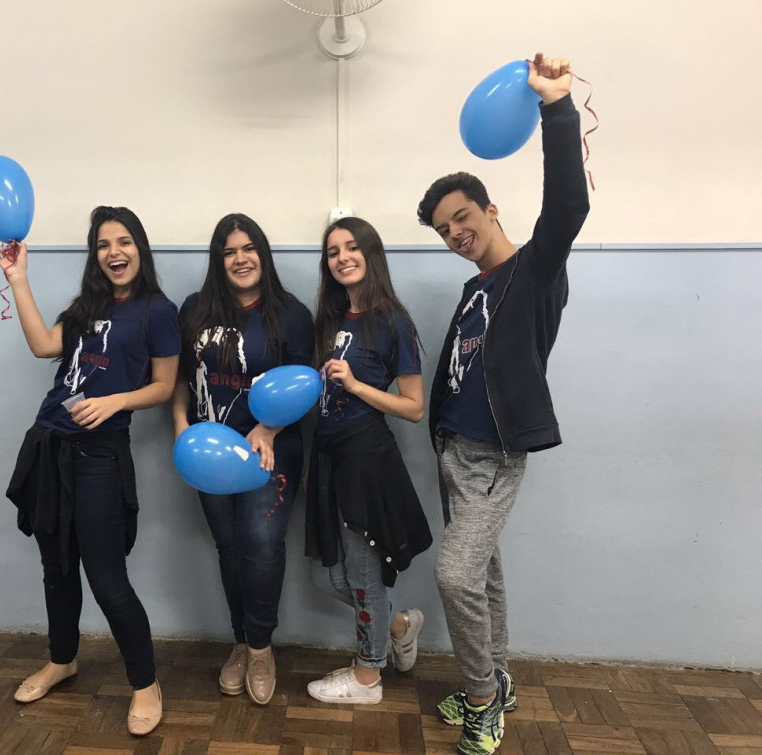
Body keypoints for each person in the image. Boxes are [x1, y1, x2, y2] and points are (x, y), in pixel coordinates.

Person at [416, 53, 590, 754]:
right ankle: (501, 678)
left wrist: (555, 105)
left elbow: (569, 204)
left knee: (453, 572)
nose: (456, 233)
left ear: (490, 209)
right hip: (455, 450)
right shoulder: (475, 288)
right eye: (444, 229)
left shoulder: (535, 270)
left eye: (463, 217)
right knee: (482, 574)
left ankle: (484, 700)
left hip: (494, 455)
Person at [2, 206, 181, 737]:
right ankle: (62, 660)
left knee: (107, 579)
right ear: (95, 254)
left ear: (140, 249)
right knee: (56, 568)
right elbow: (43, 346)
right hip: (50, 448)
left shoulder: (157, 310)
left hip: (100, 456)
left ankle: (146, 685)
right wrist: (18, 279)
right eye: (103, 245)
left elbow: (165, 385)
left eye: (124, 242)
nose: (114, 253)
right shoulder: (86, 306)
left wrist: (116, 403)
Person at [172, 213, 314, 705]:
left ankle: (260, 647)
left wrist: (268, 427)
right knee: (229, 547)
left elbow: (304, 385)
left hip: (268, 450)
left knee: (262, 545)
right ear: (218, 260)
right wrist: (179, 426)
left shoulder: (291, 313)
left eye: (249, 248)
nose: (240, 258)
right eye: (230, 251)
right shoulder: (193, 309)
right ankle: (240, 641)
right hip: (207, 452)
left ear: (263, 254)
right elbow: (180, 380)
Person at [304, 216, 433, 705]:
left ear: (371, 253)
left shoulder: (393, 319)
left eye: (351, 247)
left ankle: (367, 678)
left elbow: (415, 407)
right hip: (329, 459)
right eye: (333, 251)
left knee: (362, 576)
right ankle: (398, 625)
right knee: (328, 576)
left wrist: (357, 386)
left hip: (367, 459)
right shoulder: (332, 320)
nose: (342, 257)